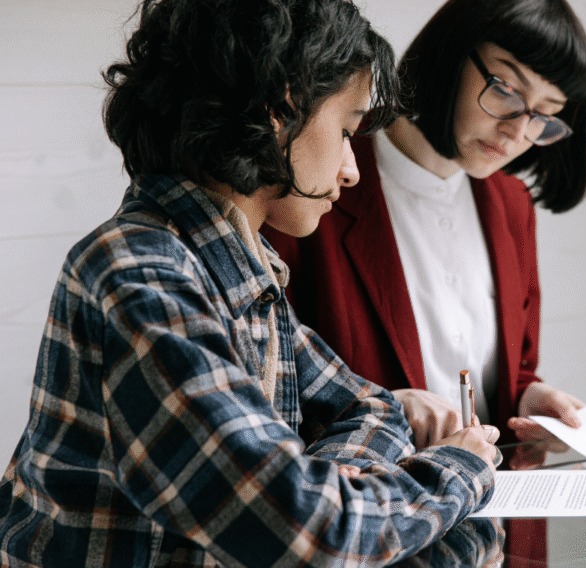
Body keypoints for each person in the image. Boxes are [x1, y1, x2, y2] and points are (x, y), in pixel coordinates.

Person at [0, 0, 502, 566]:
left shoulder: (244, 268)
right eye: (344, 131)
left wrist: (325, 479)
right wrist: (458, 468)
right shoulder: (140, 276)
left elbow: (375, 408)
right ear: (277, 113)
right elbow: (309, 537)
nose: (351, 167)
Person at [262, 0, 586, 563]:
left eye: (544, 114)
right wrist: (391, 412)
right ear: (449, 54)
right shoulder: (320, 182)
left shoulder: (511, 205)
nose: (517, 130)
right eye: (507, 91)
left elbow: (507, 367)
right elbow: (276, 390)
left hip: (494, 529)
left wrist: (528, 397)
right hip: (379, 535)